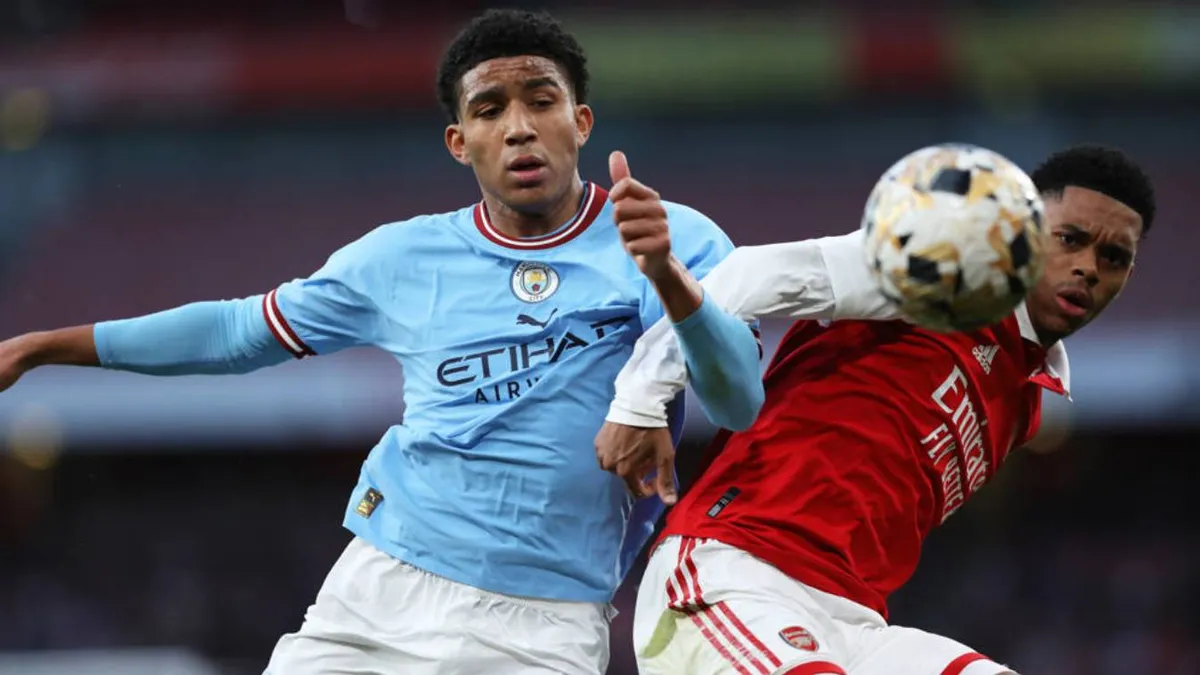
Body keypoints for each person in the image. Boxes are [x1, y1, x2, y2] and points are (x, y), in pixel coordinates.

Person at [0, 9, 764, 674]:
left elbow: (737, 399)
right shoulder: (400, 259)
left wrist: (667, 278)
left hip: (547, 619)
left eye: (542, 100)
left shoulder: (669, 237)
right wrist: (42, 345)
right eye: (491, 109)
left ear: (581, 121)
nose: (520, 126)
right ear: (460, 141)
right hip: (382, 588)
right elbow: (239, 332)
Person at [595, 144, 1156, 675]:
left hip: (855, 621)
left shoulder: (1031, 399)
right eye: (1070, 239)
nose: (1087, 267)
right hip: (735, 573)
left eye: (1112, 257)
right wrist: (642, 398)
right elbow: (751, 276)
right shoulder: (942, 271)